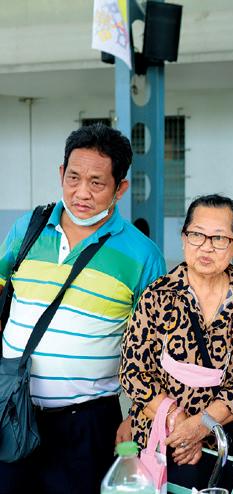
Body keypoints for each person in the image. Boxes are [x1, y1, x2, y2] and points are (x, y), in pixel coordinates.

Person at [0, 123, 166, 494]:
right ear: (61, 173)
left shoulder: (143, 255)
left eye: (97, 182)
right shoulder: (28, 228)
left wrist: (138, 415)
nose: (82, 193)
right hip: (10, 411)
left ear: (120, 188)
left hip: (87, 425)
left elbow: (155, 350)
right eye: (73, 178)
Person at [120, 194, 233, 492]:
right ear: (184, 237)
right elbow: (133, 372)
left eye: (219, 238)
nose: (206, 247)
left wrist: (201, 427)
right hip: (160, 441)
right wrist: (181, 425)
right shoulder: (157, 296)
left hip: (224, 446)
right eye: (197, 235)